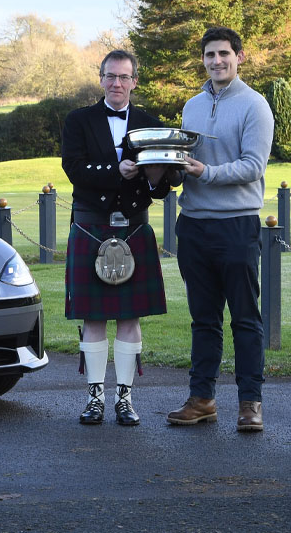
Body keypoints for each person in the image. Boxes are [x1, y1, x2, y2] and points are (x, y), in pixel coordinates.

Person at [61, 50, 180, 426]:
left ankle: (124, 400)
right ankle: (95, 398)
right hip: (90, 224)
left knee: (129, 316)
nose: (117, 83)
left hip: (134, 223)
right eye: (110, 76)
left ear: (134, 81)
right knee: (93, 317)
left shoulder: (149, 122)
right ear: (100, 79)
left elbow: (163, 186)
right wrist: (117, 170)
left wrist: (156, 174)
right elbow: (75, 169)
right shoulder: (79, 120)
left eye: (124, 77)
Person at [167, 27, 273, 432]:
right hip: (193, 226)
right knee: (203, 320)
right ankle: (203, 399)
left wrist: (205, 172)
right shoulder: (191, 106)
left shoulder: (255, 106)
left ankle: (250, 404)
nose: (217, 61)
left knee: (245, 319)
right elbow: (184, 160)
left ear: (240, 57)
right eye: (210, 55)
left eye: (224, 54)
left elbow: (253, 166)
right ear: (203, 60)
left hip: (236, 227)